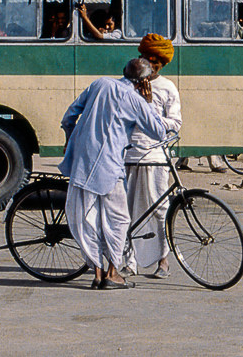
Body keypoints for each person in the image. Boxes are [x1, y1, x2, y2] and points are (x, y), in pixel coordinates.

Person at [59, 58, 166, 290]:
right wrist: (148, 102)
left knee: (90, 218)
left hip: (81, 162)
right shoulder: (136, 100)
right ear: (145, 82)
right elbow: (158, 131)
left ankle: (97, 274)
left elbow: (69, 116)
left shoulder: (100, 84)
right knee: (118, 220)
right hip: (109, 168)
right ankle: (111, 274)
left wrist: (70, 141)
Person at [122, 34, 182, 279]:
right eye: (147, 59)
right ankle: (128, 262)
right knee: (124, 212)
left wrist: (149, 109)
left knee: (159, 210)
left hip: (156, 157)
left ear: (162, 64)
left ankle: (163, 261)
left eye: (155, 63)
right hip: (127, 155)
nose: (150, 65)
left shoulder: (167, 87)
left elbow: (175, 123)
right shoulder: (126, 84)